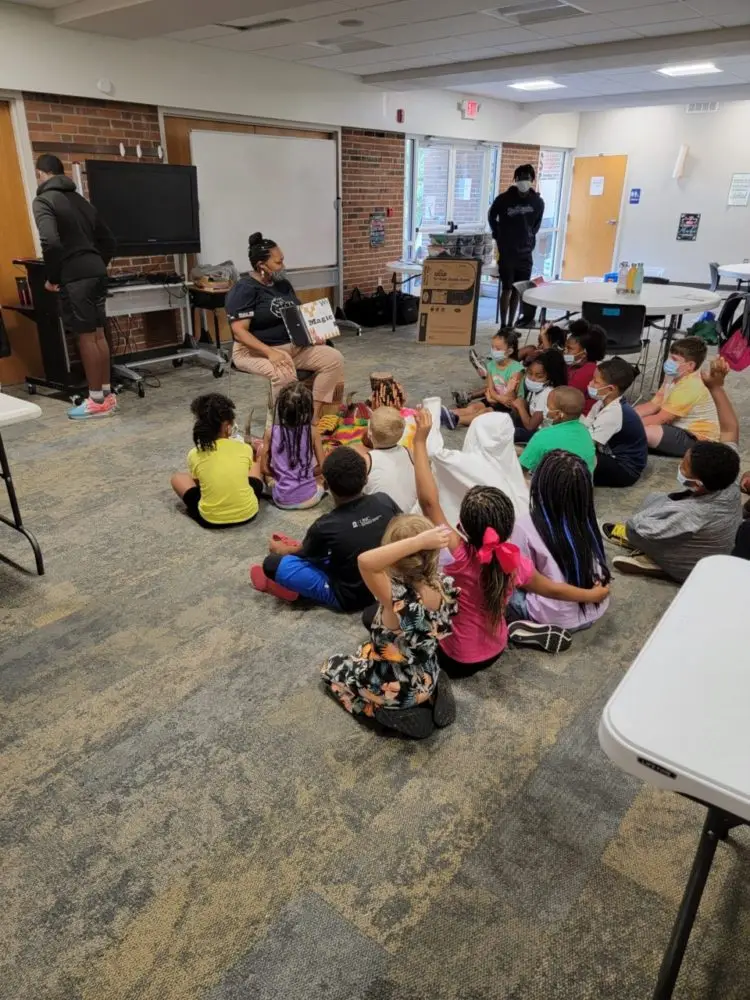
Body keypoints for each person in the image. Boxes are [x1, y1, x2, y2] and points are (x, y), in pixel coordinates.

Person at [413, 409, 610, 671]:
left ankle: (521, 623)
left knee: (425, 598)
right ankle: (516, 627)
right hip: (585, 608)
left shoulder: (464, 553)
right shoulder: (520, 558)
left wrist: (419, 441)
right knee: (500, 585)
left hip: (459, 657)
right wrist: (593, 594)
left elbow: (429, 503)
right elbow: (549, 587)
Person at [321, 516, 459, 740]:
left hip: (395, 689)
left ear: (393, 559)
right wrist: (424, 543)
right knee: (370, 651)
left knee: (332, 668)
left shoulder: (396, 599)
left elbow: (366, 561)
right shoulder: (444, 585)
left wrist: (417, 542)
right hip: (427, 671)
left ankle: (375, 712)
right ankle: (431, 696)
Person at [603, 357, 741, 580]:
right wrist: (716, 387)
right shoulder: (729, 477)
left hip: (692, 567)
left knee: (649, 511)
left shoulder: (690, 514)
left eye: (684, 467)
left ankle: (657, 561)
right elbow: (730, 428)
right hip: (715, 543)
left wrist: (634, 527)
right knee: (659, 500)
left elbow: (638, 527)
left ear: (697, 484)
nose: (679, 466)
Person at [250, 447, 400, 609]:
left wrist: (281, 550)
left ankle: (296, 589)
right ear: (365, 478)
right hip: (388, 585)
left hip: (350, 598)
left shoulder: (325, 525)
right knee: (330, 549)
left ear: (326, 485)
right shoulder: (384, 500)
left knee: (272, 564)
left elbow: (303, 555)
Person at [226, 232, 344, 423]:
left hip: (293, 348)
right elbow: (239, 332)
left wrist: (313, 335)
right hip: (254, 352)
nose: (284, 266)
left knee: (333, 359)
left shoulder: (282, 284)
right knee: (284, 374)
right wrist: (270, 352)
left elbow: (296, 315)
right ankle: (284, 425)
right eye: (278, 263)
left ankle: (311, 417)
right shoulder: (245, 289)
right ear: (261, 266)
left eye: (283, 261)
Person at [32, 154, 116, 420]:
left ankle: (94, 401)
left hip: (75, 275)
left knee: (85, 335)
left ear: (40, 174)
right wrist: (96, 264)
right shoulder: (82, 202)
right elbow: (109, 241)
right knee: (99, 333)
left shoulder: (43, 200)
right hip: (96, 271)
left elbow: (51, 243)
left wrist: (54, 276)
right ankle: (105, 395)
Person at [510, 451, 610, 633]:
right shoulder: (586, 518)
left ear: (540, 486)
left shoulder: (525, 525)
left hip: (555, 616)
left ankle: (523, 629)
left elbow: (524, 580)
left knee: (499, 583)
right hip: (595, 608)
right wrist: (593, 595)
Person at [424, 403, 528, 527]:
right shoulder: (510, 463)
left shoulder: (470, 463)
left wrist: (432, 410)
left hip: (474, 525)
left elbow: (434, 452)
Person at [170, 393, 263, 528]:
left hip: (210, 519)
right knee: (254, 464)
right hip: (249, 512)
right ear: (227, 426)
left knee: (177, 478)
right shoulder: (244, 448)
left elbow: (198, 482)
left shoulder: (194, 454)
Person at [634, 337, 719, 457]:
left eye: (674, 359)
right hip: (678, 427)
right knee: (635, 418)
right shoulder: (673, 375)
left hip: (698, 439)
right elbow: (654, 405)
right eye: (670, 356)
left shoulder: (690, 385)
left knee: (645, 432)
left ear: (690, 365)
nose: (668, 361)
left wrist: (628, 425)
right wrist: (626, 415)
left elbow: (662, 418)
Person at [487, 164, 544, 330]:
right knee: (506, 288)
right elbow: (492, 216)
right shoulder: (504, 199)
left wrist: (528, 236)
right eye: (519, 178)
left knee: (518, 290)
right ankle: (503, 325)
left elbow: (537, 224)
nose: (523, 181)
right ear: (515, 180)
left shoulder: (537, 202)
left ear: (532, 180)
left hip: (525, 253)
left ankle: (511, 325)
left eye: (526, 178)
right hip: (507, 251)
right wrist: (497, 233)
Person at [584, 357, 648, 488]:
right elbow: (584, 427)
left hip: (625, 470)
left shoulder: (613, 413)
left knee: (572, 461)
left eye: (595, 382)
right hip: (608, 456)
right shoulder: (600, 403)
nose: (590, 384)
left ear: (611, 389)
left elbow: (586, 444)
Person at [262, 381, 325, 510]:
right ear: (307, 410)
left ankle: (272, 485)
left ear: (281, 409)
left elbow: (264, 468)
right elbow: (324, 467)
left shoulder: (270, 433)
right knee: (322, 480)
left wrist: (281, 475)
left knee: (261, 465)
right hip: (311, 498)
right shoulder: (313, 432)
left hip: (281, 501)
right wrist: (306, 473)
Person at [444, 329, 525, 427]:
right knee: (473, 407)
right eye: (492, 347)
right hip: (497, 398)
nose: (494, 351)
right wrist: (494, 398)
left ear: (509, 351)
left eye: (498, 349)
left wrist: (493, 399)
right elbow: (490, 388)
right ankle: (444, 414)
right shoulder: (491, 365)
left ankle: (457, 420)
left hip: (510, 407)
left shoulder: (516, 370)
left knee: (484, 412)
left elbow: (510, 399)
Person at [519, 386, 595, 477]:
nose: (545, 409)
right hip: (583, 487)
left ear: (558, 414)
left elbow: (521, 468)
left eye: (547, 406)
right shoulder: (585, 432)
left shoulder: (544, 435)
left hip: (551, 488)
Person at [360, 406, 417, 512]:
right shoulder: (408, 452)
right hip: (413, 513)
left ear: (369, 434)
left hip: (385, 520)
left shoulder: (367, 460)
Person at [507, 349, 568, 443]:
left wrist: (521, 407)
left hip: (541, 435)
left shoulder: (547, 393)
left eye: (539, 376)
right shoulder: (535, 389)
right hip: (532, 427)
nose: (532, 379)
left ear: (549, 378)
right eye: (530, 373)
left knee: (513, 432)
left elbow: (531, 426)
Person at [564, 320, 607, 416]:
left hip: (578, 418)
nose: (565, 351)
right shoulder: (575, 365)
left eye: (570, 349)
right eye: (565, 348)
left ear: (584, 353)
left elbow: (565, 398)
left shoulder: (587, 371)